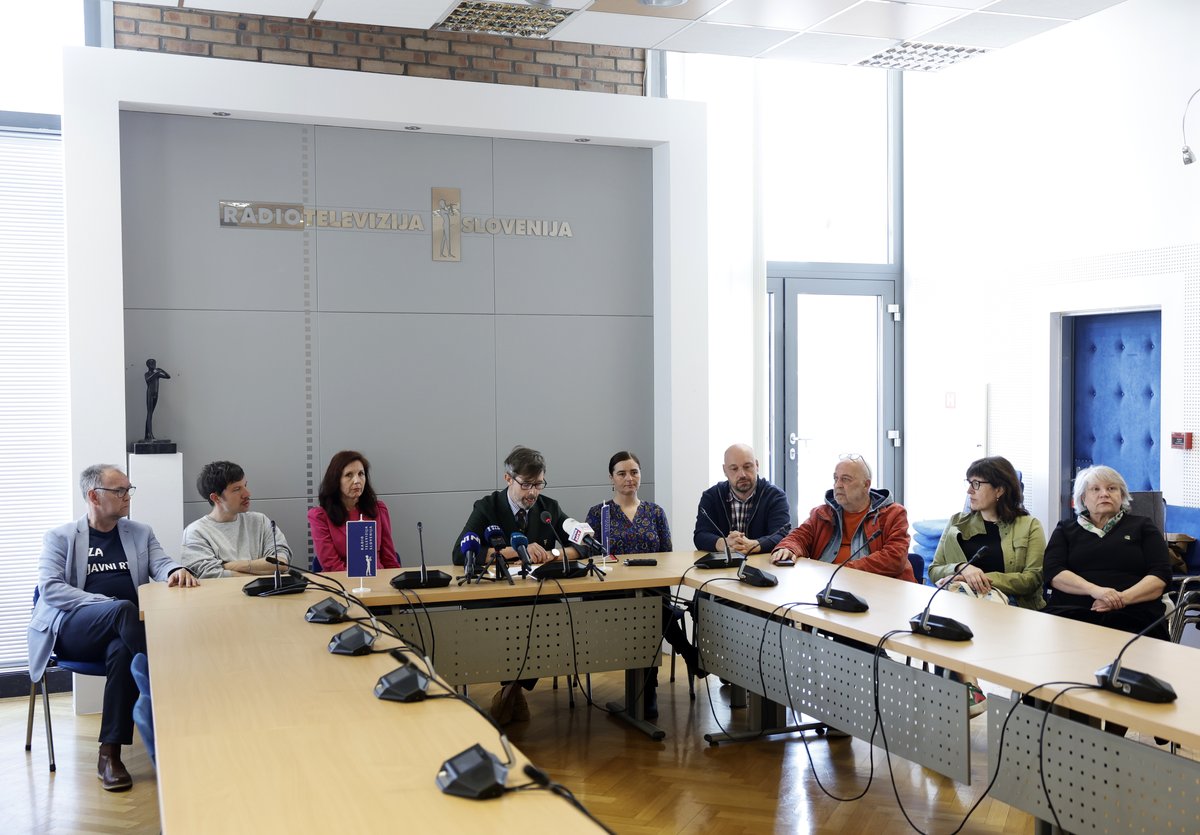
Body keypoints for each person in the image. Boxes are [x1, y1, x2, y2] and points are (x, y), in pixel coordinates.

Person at [27, 464, 199, 791]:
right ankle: (169, 693)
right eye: (119, 490)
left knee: (123, 652)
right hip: (73, 629)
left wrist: (175, 571)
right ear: (94, 496)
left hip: (123, 632)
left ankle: (109, 755)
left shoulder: (139, 532)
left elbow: (161, 562)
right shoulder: (60, 537)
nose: (127, 496)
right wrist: (105, 603)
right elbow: (51, 589)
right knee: (122, 610)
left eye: (128, 489)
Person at [453, 445, 578, 724]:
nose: (533, 492)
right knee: (513, 620)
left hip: (536, 594)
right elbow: (460, 554)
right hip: (496, 596)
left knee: (557, 615)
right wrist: (513, 551)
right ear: (508, 478)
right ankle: (513, 692)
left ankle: (510, 691)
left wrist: (553, 554)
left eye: (538, 484)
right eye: (526, 485)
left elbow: (582, 547)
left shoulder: (549, 508)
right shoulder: (487, 506)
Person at [929, 456, 1046, 716]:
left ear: (1000, 490)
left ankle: (968, 690)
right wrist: (961, 569)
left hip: (1013, 608)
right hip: (963, 604)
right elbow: (935, 570)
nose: (969, 491)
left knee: (952, 613)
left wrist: (982, 578)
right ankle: (964, 691)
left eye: (976, 484)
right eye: (968, 483)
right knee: (948, 610)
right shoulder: (956, 522)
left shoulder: (1029, 526)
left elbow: (1033, 579)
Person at [585, 451, 696, 718]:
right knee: (651, 611)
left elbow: (667, 556)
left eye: (634, 472)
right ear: (611, 478)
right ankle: (687, 655)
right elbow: (590, 556)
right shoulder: (599, 513)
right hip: (613, 594)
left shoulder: (655, 512)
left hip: (653, 590)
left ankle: (648, 689)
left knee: (650, 609)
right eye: (622, 473)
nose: (629, 478)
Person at [1044, 465, 1171, 636]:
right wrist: (1095, 591)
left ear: (1122, 495)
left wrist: (1120, 599)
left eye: (1111, 488)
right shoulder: (1065, 529)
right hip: (1071, 613)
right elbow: (1054, 573)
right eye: (1095, 489)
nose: (1104, 494)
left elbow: (1160, 575)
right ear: (1083, 498)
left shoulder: (1143, 526)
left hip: (1134, 614)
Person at [771, 453, 913, 581]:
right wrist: (788, 548)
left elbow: (895, 558)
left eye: (846, 479)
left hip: (878, 589)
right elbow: (799, 536)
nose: (837, 485)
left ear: (866, 485)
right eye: (836, 478)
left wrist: (842, 570)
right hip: (828, 585)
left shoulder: (893, 514)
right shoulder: (822, 513)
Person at [180, 461, 292, 578]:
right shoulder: (196, 532)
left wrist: (227, 566)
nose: (247, 494)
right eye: (237, 489)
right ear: (216, 498)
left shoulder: (260, 521)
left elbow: (281, 562)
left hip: (266, 590)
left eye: (245, 485)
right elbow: (210, 574)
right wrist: (260, 573)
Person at [309, 450, 401, 571]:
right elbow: (331, 566)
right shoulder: (320, 516)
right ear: (336, 480)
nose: (357, 480)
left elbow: (389, 560)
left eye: (361, 474)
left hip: (378, 578)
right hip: (339, 580)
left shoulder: (378, 509)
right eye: (349, 475)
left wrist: (395, 580)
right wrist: (357, 580)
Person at [693, 443, 791, 556]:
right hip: (723, 563)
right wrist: (725, 544)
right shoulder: (711, 496)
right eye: (734, 469)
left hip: (762, 563)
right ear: (725, 470)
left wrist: (754, 545)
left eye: (747, 466)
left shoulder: (775, 496)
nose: (742, 474)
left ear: (757, 465)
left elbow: (782, 535)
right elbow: (700, 535)